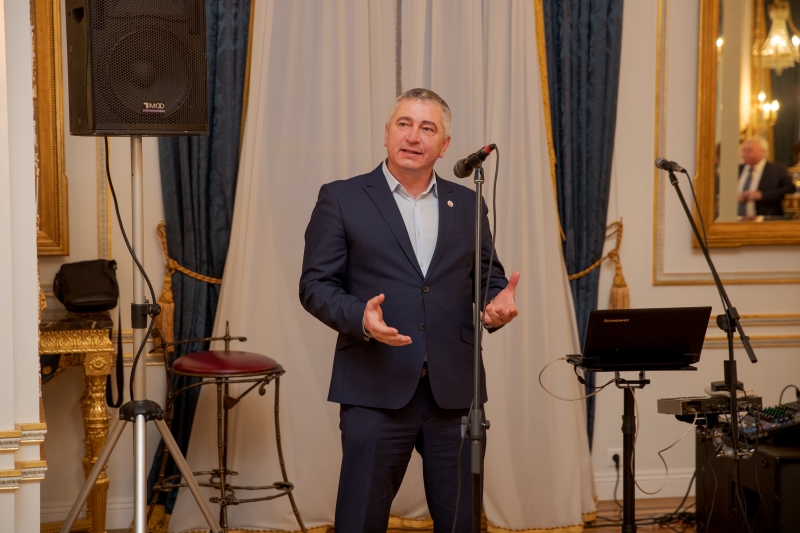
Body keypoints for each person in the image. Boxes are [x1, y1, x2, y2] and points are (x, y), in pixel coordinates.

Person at [299, 88, 520, 532]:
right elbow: (315, 285)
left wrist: (496, 304)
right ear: (386, 133)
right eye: (404, 124)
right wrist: (361, 317)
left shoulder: (468, 204)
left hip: (455, 392)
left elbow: (487, 279)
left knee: (461, 522)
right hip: (374, 386)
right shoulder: (342, 198)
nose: (414, 136)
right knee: (360, 521)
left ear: (445, 144)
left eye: (427, 128)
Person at [737, 137, 794, 217]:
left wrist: (762, 195)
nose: (745, 154)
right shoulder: (737, 169)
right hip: (736, 219)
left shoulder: (777, 170)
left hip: (767, 218)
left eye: (749, 150)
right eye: (743, 150)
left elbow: (790, 189)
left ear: (763, 152)